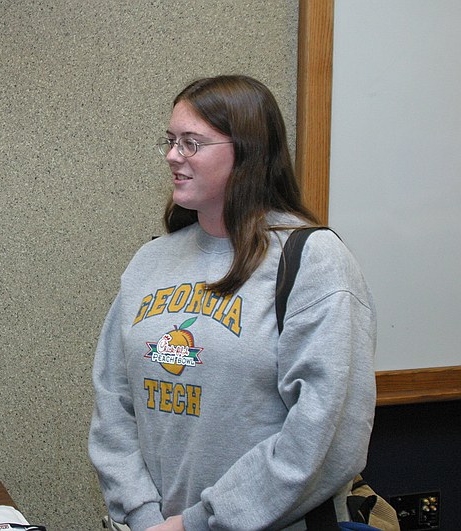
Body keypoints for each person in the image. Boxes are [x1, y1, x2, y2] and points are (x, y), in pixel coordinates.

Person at [88, 75, 376, 531]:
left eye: (191, 143)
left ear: (247, 151)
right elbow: (113, 404)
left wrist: (196, 524)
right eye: (170, 141)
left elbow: (327, 437)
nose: (171, 156)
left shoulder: (313, 261)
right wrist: (144, 517)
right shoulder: (150, 260)